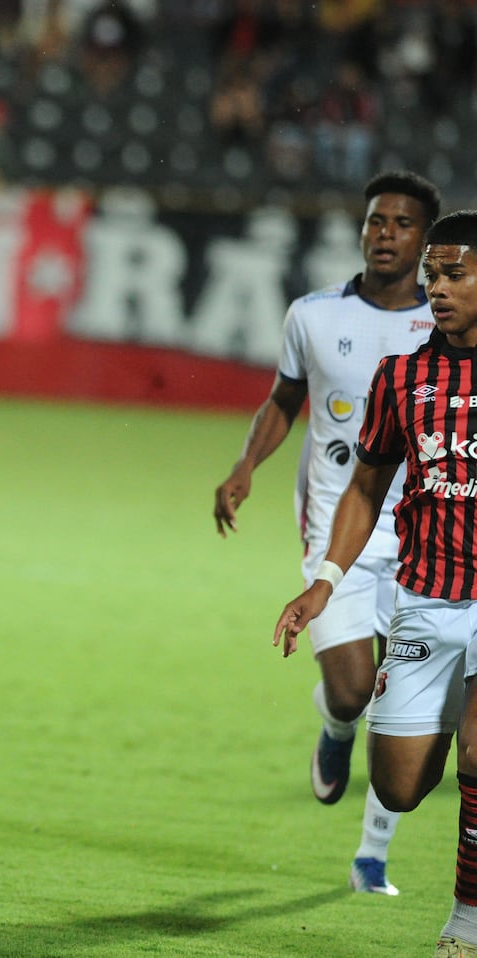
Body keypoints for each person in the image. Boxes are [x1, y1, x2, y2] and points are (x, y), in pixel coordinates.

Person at [216, 170, 442, 896]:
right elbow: (284, 400)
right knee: (351, 692)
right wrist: (246, 465)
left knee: (405, 703)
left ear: (424, 240)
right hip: (337, 527)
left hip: (424, 537)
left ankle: (372, 856)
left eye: (402, 224)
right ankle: (334, 725)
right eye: (377, 220)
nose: (384, 233)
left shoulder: (446, 327)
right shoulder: (313, 315)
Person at [271, 209, 477, 957]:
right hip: (425, 599)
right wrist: (324, 581)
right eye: (434, 275)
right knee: (398, 787)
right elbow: (365, 487)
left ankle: (466, 923)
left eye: (455, 274)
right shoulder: (405, 375)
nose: (438, 288)